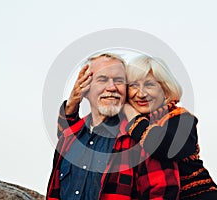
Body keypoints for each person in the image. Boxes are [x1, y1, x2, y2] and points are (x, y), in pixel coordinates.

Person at [46, 53, 180, 200]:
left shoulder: (144, 137)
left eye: (119, 81)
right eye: (102, 80)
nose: (112, 87)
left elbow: (163, 195)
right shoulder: (68, 138)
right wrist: (72, 103)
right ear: (84, 88)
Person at [123, 55, 217, 200]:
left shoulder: (181, 118)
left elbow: (162, 145)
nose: (141, 94)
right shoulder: (126, 127)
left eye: (149, 85)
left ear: (165, 90)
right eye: (133, 85)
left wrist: (131, 114)